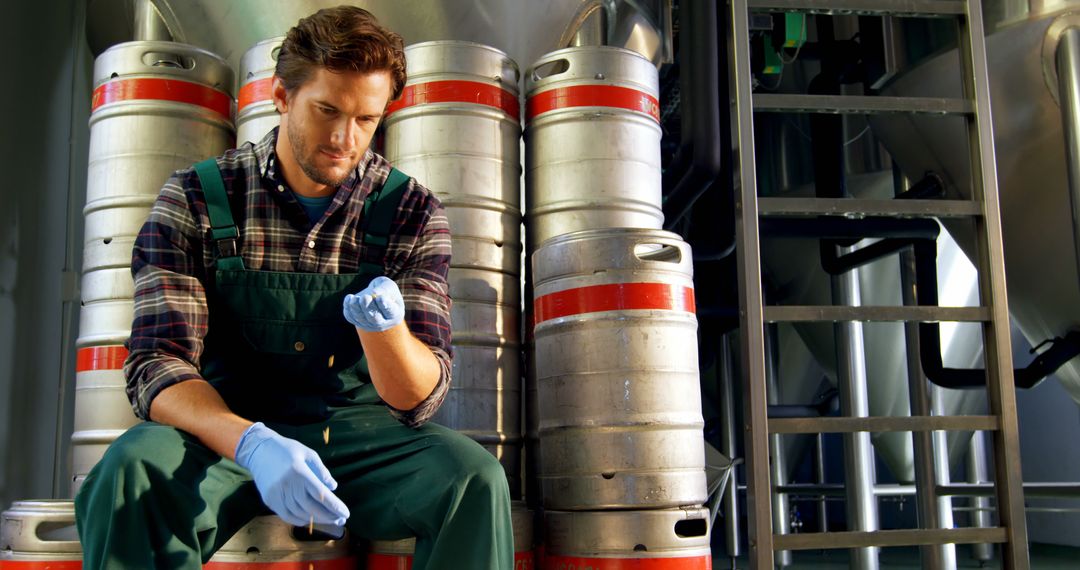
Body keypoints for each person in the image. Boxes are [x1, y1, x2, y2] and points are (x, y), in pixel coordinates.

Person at [74, 6, 513, 569]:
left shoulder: (409, 210)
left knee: (472, 479)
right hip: (225, 431)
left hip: (361, 440)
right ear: (282, 95)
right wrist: (253, 444)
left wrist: (387, 332)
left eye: (365, 120)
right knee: (131, 471)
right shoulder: (197, 199)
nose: (343, 138)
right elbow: (158, 367)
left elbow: (418, 398)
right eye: (326, 109)